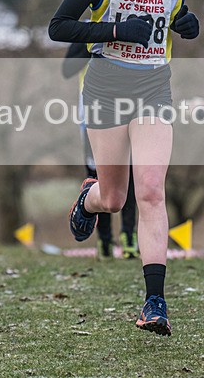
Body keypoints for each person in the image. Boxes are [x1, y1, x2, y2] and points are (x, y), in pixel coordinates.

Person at [49, 0, 199, 336]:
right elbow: (60, 27)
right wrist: (114, 31)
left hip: (154, 88)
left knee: (151, 191)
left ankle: (155, 302)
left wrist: (185, 22)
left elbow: (169, 14)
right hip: (107, 88)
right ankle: (87, 199)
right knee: (114, 198)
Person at [62, 43, 139, 260]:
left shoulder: (127, 23)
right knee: (99, 177)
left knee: (130, 174)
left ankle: (129, 238)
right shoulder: (85, 31)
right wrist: (92, 44)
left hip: (128, 112)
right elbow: (67, 69)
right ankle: (104, 240)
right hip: (92, 117)